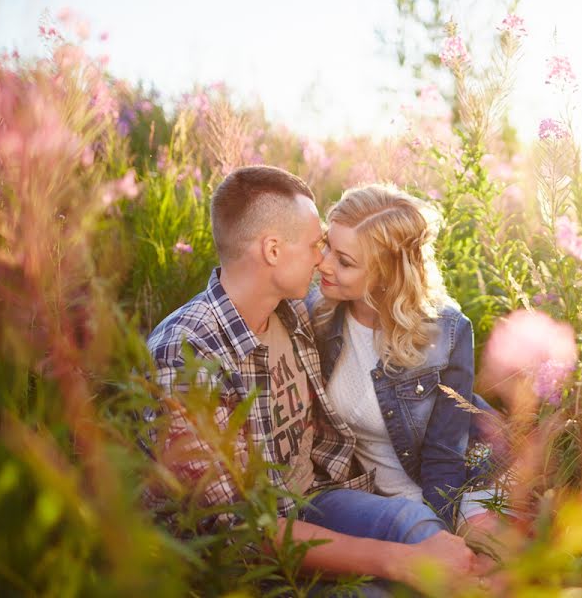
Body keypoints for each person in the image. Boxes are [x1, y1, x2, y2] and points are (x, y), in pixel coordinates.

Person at [145, 166, 478, 594]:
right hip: (240, 553)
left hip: (313, 498)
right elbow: (239, 532)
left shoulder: (292, 311)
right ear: (272, 251)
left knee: (418, 526)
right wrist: (401, 562)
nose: (322, 260)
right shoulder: (187, 354)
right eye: (315, 245)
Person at [308, 184, 501, 532]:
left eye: (345, 261)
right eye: (327, 246)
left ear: (386, 274)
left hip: (465, 483)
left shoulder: (447, 332)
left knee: (489, 569)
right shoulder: (316, 316)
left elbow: (447, 455)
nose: (323, 263)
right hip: (377, 502)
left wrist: (438, 532)